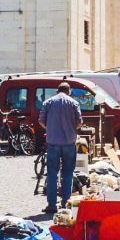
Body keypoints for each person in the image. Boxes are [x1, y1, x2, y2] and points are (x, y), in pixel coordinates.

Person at [39, 81, 82, 214]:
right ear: (69, 91)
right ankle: (65, 203)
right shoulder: (74, 103)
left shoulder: (48, 102)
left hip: (53, 142)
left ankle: (52, 205)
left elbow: (41, 121)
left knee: (52, 173)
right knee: (68, 173)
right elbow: (79, 123)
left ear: (57, 91)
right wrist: (70, 128)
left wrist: (50, 128)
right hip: (69, 142)